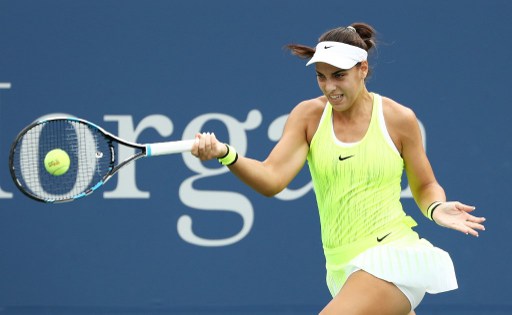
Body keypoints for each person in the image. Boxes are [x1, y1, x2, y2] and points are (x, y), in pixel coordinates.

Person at [191, 22, 486, 315]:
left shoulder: (398, 119)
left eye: (339, 76)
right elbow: (272, 179)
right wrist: (226, 154)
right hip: (340, 267)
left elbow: (424, 185)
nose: (330, 87)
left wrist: (436, 208)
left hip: (392, 256)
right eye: (321, 77)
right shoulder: (308, 116)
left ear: (363, 69)